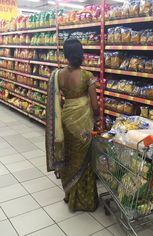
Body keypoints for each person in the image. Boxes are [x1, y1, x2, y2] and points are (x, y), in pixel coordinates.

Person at [45, 38, 99, 212]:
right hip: (84, 124)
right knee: (85, 160)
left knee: (69, 158)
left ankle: (70, 196)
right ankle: (86, 201)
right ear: (81, 54)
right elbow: (95, 105)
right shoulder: (87, 76)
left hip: (67, 121)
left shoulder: (58, 76)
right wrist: (97, 117)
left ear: (66, 55)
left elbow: (58, 102)